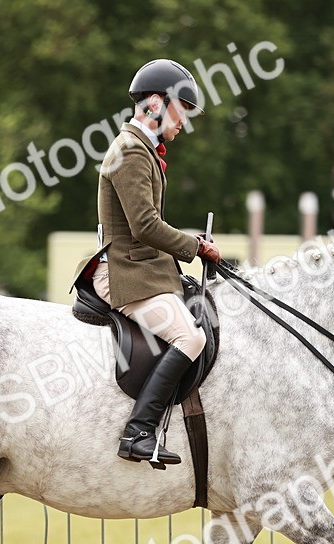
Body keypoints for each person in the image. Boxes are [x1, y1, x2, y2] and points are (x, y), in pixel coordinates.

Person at [84, 59, 220, 467]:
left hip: (142, 269)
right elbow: (144, 226)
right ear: (158, 104)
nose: (183, 124)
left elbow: (148, 224)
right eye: (182, 111)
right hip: (125, 275)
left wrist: (190, 241)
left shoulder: (140, 149)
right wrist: (194, 249)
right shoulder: (129, 150)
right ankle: (138, 431)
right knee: (191, 338)